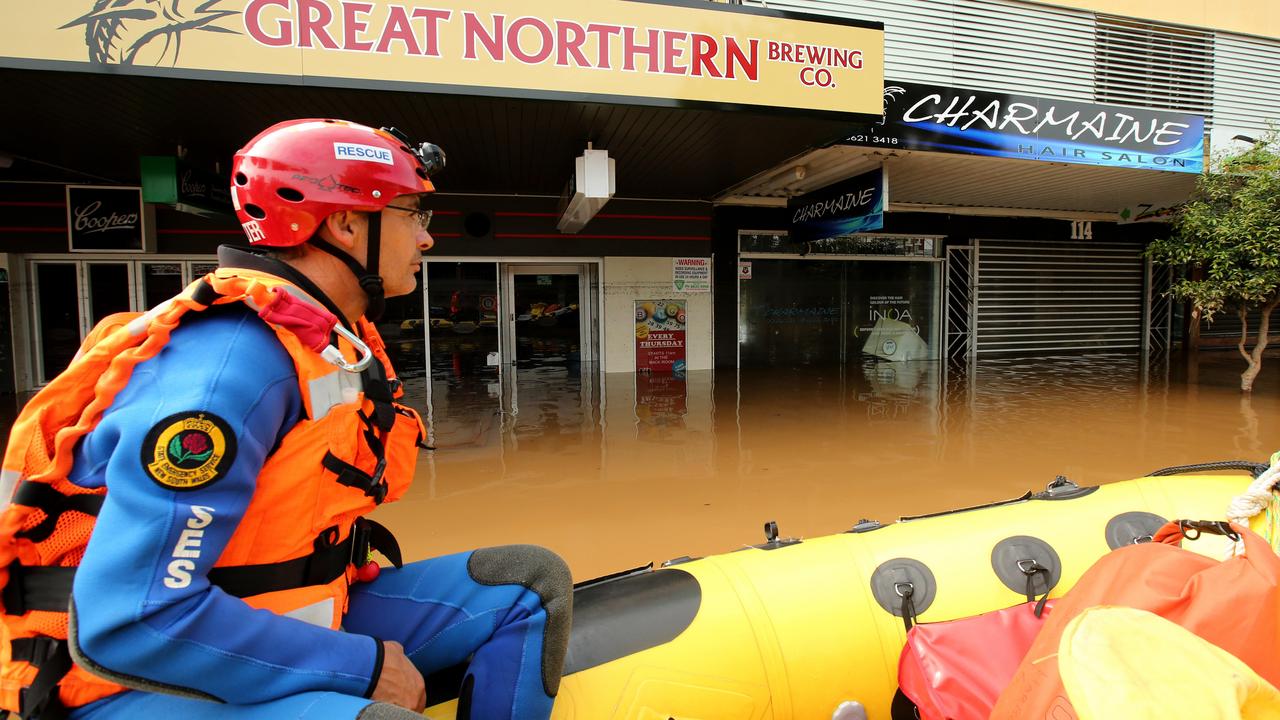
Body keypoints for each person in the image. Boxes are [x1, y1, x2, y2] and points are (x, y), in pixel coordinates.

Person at [0, 119, 573, 720]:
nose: (427, 239)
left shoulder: (324, 343)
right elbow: (131, 619)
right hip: (129, 683)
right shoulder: (228, 370)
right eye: (413, 214)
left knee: (528, 585)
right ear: (346, 223)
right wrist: (364, 668)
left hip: (280, 608)